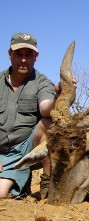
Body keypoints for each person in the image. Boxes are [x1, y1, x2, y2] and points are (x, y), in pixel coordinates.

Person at [0, 32, 72, 199]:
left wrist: (59, 96)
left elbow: (46, 108)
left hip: (26, 150)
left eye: (28, 54)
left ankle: (48, 185)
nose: (23, 59)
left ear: (36, 56)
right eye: (18, 54)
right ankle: (20, 186)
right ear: (10, 54)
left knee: (49, 122)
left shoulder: (42, 82)